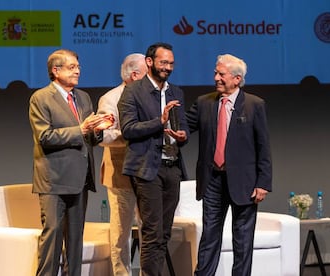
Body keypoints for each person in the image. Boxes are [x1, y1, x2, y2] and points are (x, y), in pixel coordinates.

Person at [29, 49, 113, 276]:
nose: (78, 71)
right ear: (55, 71)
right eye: (72, 67)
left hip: (80, 179)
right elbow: (45, 137)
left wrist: (98, 130)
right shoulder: (41, 98)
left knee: (76, 240)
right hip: (54, 180)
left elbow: (89, 138)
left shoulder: (83, 97)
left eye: (78, 66)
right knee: (53, 236)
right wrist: (81, 129)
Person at [186, 54, 272, 276]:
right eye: (215, 73)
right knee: (209, 237)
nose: (216, 77)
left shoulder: (254, 105)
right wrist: (173, 130)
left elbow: (263, 146)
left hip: (244, 182)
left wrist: (263, 183)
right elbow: (185, 130)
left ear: (236, 78)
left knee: (242, 241)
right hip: (212, 179)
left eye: (221, 74)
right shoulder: (205, 103)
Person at [118, 42, 189, 276]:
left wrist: (182, 135)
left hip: (172, 167)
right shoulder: (133, 91)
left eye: (171, 63)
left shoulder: (175, 91)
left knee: (164, 233)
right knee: (152, 232)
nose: (167, 67)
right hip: (147, 169)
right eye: (163, 62)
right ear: (149, 62)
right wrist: (159, 121)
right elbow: (128, 129)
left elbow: (184, 127)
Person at [97, 53, 148, 275]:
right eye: (148, 71)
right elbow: (103, 137)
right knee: (121, 233)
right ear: (135, 75)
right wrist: (132, 134)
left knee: (150, 229)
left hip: (148, 172)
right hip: (120, 174)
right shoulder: (110, 99)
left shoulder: (151, 95)